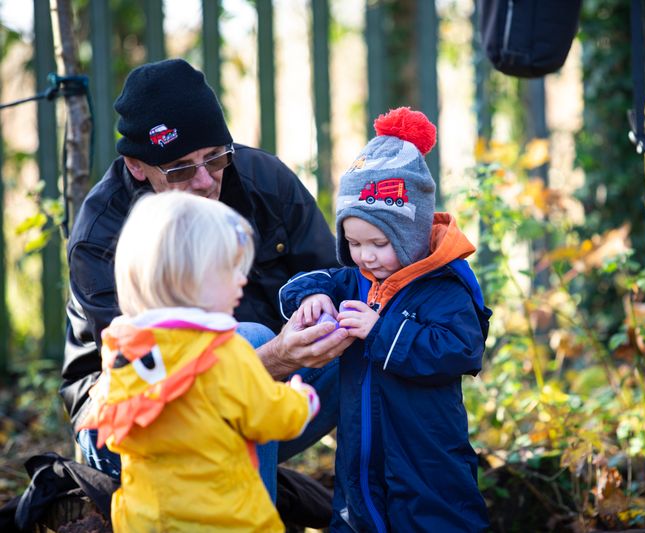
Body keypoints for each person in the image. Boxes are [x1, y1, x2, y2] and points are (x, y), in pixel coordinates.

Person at [60, 58, 351, 502]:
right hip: (133, 426)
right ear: (139, 167)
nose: (203, 180)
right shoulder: (102, 236)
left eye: (215, 157)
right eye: (179, 168)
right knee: (247, 338)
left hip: (263, 391)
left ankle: (373, 513)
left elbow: (333, 274)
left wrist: (323, 309)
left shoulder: (263, 179)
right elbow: (149, 380)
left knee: (359, 328)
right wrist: (269, 361)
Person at [279, 107, 491, 531]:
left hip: (427, 456)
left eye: (379, 242)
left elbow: (461, 350)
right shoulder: (355, 280)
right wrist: (314, 297)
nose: (366, 256)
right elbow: (307, 280)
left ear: (409, 236)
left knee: (436, 521)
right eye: (354, 243)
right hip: (362, 451)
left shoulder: (443, 286)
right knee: (358, 517)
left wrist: (382, 331)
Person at [80, 191, 321, 532]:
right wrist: (301, 401)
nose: (242, 278)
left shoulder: (125, 349)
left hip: (145, 518)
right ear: (188, 277)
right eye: (230, 268)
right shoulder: (221, 353)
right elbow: (267, 415)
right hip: (223, 517)